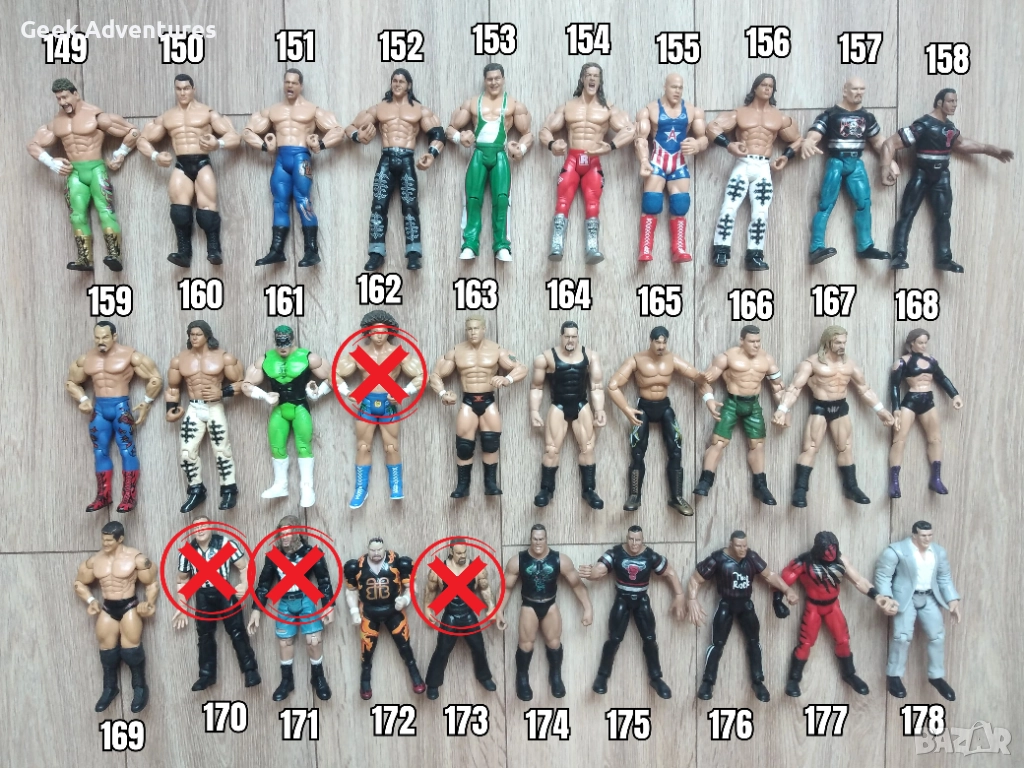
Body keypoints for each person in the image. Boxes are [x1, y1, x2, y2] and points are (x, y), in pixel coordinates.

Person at [880, 88, 1014, 272]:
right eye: (951, 101)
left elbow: (962, 144)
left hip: (941, 176)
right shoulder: (924, 125)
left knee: (943, 216)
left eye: (956, 101)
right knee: (907, 213)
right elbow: (890, 143)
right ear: (939, 103)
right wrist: (885, 166)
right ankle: (898, 255)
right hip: (921, 173)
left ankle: (944, 258)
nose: (954, 105)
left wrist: (990, 149)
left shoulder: (949, 127)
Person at [772, 326, 894, 507]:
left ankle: (851, 487)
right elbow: (794, 388)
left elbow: (864, 389)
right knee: (810, 448)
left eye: (844, 342)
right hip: (820, 407)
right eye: (838, 342)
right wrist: (782, 409)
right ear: (828, 342)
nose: (842, 346)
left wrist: (881, 410)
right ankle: (800, 490)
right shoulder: (811, 363)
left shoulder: (849, 364)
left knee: (845, 448)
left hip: (840, 408)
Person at [27, 78, 139, 270]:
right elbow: (32, 145)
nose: (62, 102)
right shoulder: (57, 122)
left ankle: (115, 256)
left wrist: (120, 154)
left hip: (96, 169)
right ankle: (85, 259)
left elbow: (133, 132)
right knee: (76, 215)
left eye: (65, 97)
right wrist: (51, 162)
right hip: (75, 172)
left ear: (76, 94)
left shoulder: (96, 116)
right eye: (58, 99)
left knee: (106, 210)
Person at [243, 69, 347, 267]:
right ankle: (277, 250)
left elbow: (338, 131)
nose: (290, 85)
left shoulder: (312, 110)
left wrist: (321, 144)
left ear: (301, 85)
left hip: (301, 157)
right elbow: (247, 132)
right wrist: (264, 146)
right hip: (281, 159)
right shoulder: (273, 110)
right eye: (287, 82)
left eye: (294, 82)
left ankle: (311, 251)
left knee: (303, 201)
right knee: (279, 203)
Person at [345, 68, 446, 271]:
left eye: (401, 81)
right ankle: (376, 252)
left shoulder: (419, 110)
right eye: (394, 81)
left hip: (407, 159)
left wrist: (431, 154)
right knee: (378, 206)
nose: (397, 84)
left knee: (410, 206)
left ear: (409, 85)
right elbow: (350, 127)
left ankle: (414, 253)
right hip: (386, 159)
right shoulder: (379, 109)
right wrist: (358, 136)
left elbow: (438, 134)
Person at [777, 531, 897, 697]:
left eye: (833, 548)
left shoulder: (841, 560)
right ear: (819, 549)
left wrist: (877, 596)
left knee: (843, 640)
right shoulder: (805, 561)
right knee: (805, 643)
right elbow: (785, 578)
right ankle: (794, 679)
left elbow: (859, 580)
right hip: (814, 607)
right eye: (827, 550)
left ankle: (849, 674)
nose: (831, 553)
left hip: (832, 606)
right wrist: (778, 599)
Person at [137, 73, 240, 266]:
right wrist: (155, 156)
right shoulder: (168, 117)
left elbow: (234, 137)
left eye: (186, 88)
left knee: (207, 210)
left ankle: (214, 250)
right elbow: (142, 139)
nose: (182, 92)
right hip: (181, 163)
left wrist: (218, 143)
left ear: (193, 89)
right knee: (179, 212)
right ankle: (183, 253)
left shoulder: (207, 112)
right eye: (179, 89)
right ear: (175, 90)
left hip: (202, 161)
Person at [539, 62, 635, 263]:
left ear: (600, 81)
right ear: (582, 79)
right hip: (572, 159)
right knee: (562, 200)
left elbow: (630, 129)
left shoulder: (608, 109)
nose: (592, 79)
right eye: (588, 75)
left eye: (596, 76)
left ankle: (592, 247)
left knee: (593, 203)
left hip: (593, 161)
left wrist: (611, 146)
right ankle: (556, 244)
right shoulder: (568, 106)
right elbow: (545, 129)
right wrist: (552, 144)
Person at [607, 326, 709, 514]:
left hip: (664, 407)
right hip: (643, 408)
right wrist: (626, 409)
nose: (661, 346)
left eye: (664, 342)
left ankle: (676, 497)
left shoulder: (672, 359)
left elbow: (697, 377)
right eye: (658, 342)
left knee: (676, 451)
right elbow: (613, 385)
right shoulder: (637, 359)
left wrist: (707, 389)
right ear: (651, 341)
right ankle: (634, 496)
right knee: (637, 453)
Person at [687, 530, 797, 702]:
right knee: (717, 644)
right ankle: (707, 682)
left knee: (754, 642)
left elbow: (769, 575)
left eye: (745, 545)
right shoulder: (718, 559)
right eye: (739, 546)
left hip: (746, 605)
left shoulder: (751, 557)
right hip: (726, 604)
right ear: (731, 544)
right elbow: (696, 579)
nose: (742, 549)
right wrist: (692, 599)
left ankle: (758, 681)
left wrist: (787, 590)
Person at [706, 73, 802, 270]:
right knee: (729, 207)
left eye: (770, 86)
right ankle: (721, 251)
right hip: (743, 163)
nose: (767, 88)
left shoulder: (779, 117)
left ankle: (755, 255)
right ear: (755, 88)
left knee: (761, 213)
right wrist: (728, 145)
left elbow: (798, 139)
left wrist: (786, 156)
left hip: (763, 167)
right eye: (764, 85)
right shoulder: (740, 113)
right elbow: (711, 128)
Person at [65, 322, 163, 513]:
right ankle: (103, 495)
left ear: (114, 337)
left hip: (120, 407)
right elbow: (71, 382)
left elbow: (155, 378)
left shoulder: (129, 355)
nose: (101, 341)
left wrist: (147, 402)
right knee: (99, 451)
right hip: (99, 409)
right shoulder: (87, 359)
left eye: (105, 337)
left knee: (127, 450)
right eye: (97, 338)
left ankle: (129, 496)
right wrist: (83, 399)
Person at [579, 526, 685, 699]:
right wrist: (591, 573)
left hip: (642, 601)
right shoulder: (616, 553)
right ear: (627, 538)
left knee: (650, 639)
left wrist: (679, 595)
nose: (634, 543)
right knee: (614, 638)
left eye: (638, 540)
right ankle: (602, 676)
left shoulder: (650, 556)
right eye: (631, 539)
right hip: (622, 600)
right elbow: (600, 569)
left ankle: (656, 678)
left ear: (642, 540)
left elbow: (670, 572)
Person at [429, 315, 527, 497]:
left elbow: (522, 368)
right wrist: (443, 394)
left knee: (491, 443)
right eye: (469, 329)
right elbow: (435, 375)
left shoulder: (496, 350)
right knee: (464, 446)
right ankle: (462, 486)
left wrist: (507, 379)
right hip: (468, 401)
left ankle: (491, 484)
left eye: (476, 328)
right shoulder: (456, 351)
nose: (472, 332)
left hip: (488, 400)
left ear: (483, 329)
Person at [495, 524, 593, 700]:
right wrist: (499, 610)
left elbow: (577, 585)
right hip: (529, 606)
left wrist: (588, 608)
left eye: (541, 539)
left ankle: (556, 677)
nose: (538, 542)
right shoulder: (518, 561)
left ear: (546, 539)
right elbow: (505, 587)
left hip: (550, 605)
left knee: (554, 643)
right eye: (535, 539)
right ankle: (522, 679)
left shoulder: (560, 560)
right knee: (525, 644)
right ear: (530, 539)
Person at [336, 311, 423, 508]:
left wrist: (404, 391)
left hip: (388, 404)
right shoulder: (359, 354)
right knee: (362, 446)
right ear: (368, 332)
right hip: (366, 403)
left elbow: (422, 376)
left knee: (391, 446)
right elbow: (335, 374)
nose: (379, 335)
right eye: (375, 331)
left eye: (383, 331)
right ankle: (361, 488)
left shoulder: (398, 354)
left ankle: (396, 485)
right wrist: (348, 392)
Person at [447, 63, 533, 262]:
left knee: (502, 200)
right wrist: (460, 138)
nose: (494, 82)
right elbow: (450, 129)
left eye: (497, 78)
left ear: (503, 79)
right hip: (478, 154)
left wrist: (520, 149)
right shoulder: (472, 103)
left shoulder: (514, 105)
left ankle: (502, 245)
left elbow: (528, 134)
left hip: (500, 155)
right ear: (484, 80)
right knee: (472, 199)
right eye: (490, 79)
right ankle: (469, 244)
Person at [801, 77, 891, 263]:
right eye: (855, 89)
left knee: (864, 203)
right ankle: (816, 247)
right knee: (825, 204)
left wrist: (889, 161)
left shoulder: (867, 117)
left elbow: (879, 142)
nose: (859, 93)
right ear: (845, 91)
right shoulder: (831, 115)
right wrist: (808, 141)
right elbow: (815, 133)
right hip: (837, 162)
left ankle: (865, 245)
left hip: (856, 163)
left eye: (862, 89)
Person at [242, 326, 332, 507]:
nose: (283, 347)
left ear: (292, 340)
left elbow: (333, 377)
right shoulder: (265, 359)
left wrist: (317, 392)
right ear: (274, 341)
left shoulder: (308, 357)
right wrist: (265, 396)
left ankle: (307, 488)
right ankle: (280, 484)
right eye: (279, 343)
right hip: (279, 408)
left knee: (304, 446)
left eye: (286, 342)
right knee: (276, 445)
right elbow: (246, 385)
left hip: (300, 407)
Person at [74, 521, 158, 713]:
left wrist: (149, 603)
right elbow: (79, 583)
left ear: (120, 539)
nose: (105, 544)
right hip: (107, 606)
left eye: (109, 540)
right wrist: (91, 600)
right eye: (103, 540)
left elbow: (152, 584)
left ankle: (139, 687)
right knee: (107, 650)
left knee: (131, 649)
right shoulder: (95, 560)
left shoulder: (136, 559)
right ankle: (110, 688)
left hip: (129, 606)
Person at [693, 326, 783, 505]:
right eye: (752, 341)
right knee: (718, 442)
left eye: (758, 341)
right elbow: (703, 380)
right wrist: (709, 399)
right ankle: (705, 480)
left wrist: (783, 409)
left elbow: (778, 386)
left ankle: (760, 485)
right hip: (732, 403)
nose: (756, 345)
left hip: (753, 405)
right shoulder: (727, 357)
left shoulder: (766, 359)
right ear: (742, 341)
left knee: (758, 444)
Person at [248, 515, 335, 701]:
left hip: (306, 599)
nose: (285, 537)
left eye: (288, 533)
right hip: (285, 601)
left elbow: (324, 580)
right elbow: (263, 585)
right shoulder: (274, 557)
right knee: (284, 642)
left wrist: (328, 605)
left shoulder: (311, 553)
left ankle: (318, 677)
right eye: (282, 534)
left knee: (314, 640)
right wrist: (256, 609)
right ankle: (287, 680)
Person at [873, 521, 961, 701]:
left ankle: (936, 676)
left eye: (930, 535)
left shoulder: (938, 552)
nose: (927, 539)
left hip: (928, 597)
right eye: (923, 535)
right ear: (914, 535)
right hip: (905, 598)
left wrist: (952, 599)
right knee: (902, 637)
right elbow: (883, 575)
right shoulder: (896, 551)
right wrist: (886, 597)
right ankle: (894, 675)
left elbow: (944, 577)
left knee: (937, 636)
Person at [173, 514, 260, 690]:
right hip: (203, 594)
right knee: (204, 636)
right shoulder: (188, 552)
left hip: (224, 591)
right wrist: (181, 606)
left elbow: (244, 566)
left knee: (237, 631)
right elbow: (182, 580)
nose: (200, 530)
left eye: (203, 526)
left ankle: (250, 670)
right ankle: (206, 675)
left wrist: (245, 584)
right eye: (196, 528)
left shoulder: (225, 544)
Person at [165, 320, 243, 513]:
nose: (194, 337)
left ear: (207, 335)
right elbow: (173, 387)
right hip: (194, 407)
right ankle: (196, 489)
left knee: (222, 450)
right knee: (186, 452)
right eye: (191, 334)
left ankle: (229, 489)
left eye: (198, 334)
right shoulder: (180, 360)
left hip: (214, 406)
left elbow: (242, 383)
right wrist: (171, 408)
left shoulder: (223, 357)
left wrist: (222, 392)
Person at [529, 321, 606, 509]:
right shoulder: (546, 358)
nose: (570, 340)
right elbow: (536, 387)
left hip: (581, 404)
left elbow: (596, 386)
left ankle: (589, 490)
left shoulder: (590, 356)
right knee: (551, 450)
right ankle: (546, 489)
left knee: (588, 448)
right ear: (561, 336)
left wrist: (599, 410)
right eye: (567, 336)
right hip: (559, 405)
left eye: (574, 336)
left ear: (577, 337)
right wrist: (534, 411)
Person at [634, 73, 708, 262]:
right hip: (657, 162)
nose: (677, 91)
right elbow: (640, 139)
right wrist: (644, 160)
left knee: (680, 206)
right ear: (665, 87)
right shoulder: (650, 110)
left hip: (679, 163)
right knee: (651, 204)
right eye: (674, 87)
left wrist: (698, 145)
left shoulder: (692, 111)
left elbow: (704, 138)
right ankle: (645, 248)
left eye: (680, 87)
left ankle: (679, 248)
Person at [344, 538, 426, 700]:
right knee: (367, 651)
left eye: (379, 550)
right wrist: (354, 611)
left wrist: (405, 600)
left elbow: (411, 587)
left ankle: (415, 675)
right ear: (368, 549)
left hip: (393, 611)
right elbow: (351, 591)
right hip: (369, 612)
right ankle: (365, 681)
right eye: (372, 550)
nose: (376, 553)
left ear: (384, 548)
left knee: (405, 646)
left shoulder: (397, 562)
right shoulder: (357, 566)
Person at [887, 328, 963, 497]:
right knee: (899, 439)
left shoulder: (931, 361)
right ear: (912, 343)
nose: (923, 346)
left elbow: (942, 378)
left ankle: (936, 478)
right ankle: (894, 482)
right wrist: (896, 409)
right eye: (920, 342)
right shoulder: (902, 362)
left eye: (925, 343)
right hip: (911, 401)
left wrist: (955, 395)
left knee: (935, 439)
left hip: (928, 401)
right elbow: (894, 386)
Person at [423, 540, 498, 699]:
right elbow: (430, 590)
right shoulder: (439, 570)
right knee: (442, 650)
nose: (462, 555)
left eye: (464, 552)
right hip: (450, 615)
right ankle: (433, 684)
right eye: (459, 553)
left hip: (468, 614)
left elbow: (485, 589)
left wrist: (491, 607)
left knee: (479, 647)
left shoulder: (476, 569)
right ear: (451, 552)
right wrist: (427, 608)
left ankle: (484, 677)